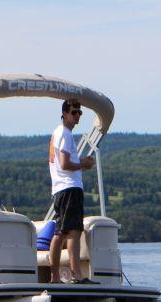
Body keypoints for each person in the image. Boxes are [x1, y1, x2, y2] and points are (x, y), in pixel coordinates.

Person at [48, 99, 96, 284]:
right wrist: (83, 164)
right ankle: (76, 274)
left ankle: (54, 277)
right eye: (74, 112)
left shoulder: (58, 133)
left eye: (80, 113)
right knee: (73, 231)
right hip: (69, 187)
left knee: (61, 232)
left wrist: (81, 161)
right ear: (65, 113)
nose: (77, 116)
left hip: (61, 188)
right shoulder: (65, 134)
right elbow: (65, 164)